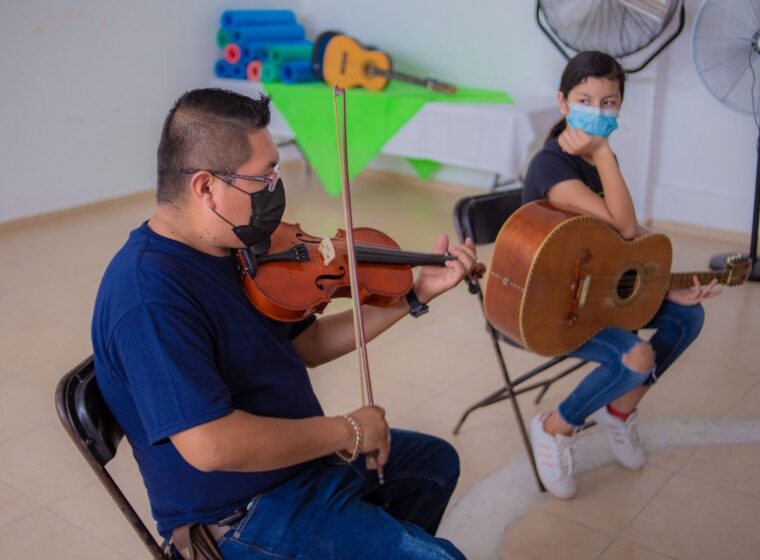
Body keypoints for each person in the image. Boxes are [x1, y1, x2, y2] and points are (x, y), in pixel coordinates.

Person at [92, 88, 478, 559]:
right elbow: (209, 445)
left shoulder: (233, 249)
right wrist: (348, 431)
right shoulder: (149, 296)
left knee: (434, 465)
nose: (276, 188)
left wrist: (414, 294)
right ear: (205, 187)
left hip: (298, 467)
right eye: (263, 177)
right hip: (242, 516)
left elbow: (307, 344)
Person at [522, 51, 720, 500]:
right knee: (636, 358)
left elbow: (620, 239)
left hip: (591, 289)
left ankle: (619, 409)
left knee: (688, 318)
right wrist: (602, 149)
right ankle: (555, 426)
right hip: (547, 305)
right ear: (562, 102)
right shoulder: (552, 165)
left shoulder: (594, 159)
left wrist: (665, 285)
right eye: (585, 98)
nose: (598, 109)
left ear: (620, 106)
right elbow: (625, 226)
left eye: (609, 101)